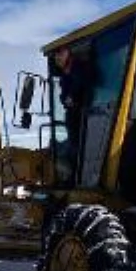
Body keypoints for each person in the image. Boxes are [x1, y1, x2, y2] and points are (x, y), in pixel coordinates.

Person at [52, 45, 92, 180]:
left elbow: (81, 84)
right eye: (56, 55)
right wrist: (66, 99)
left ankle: (74, 177)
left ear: (68, 53)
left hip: (83, 116)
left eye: (60, 53)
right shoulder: (66, 74)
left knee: (75, 146)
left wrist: (72, 97)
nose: (57, 57)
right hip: (77, 115)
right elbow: (64, 96)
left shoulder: (80, 69)